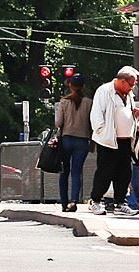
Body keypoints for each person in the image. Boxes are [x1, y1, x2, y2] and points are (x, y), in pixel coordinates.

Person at [89, 65, 139, 216]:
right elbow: (97, 114)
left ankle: (120, 202)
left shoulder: (128, 95)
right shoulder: (104, 91)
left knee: (125, 173)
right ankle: (95, 201)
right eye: (131, 84)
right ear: (122, 81)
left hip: (125, 140)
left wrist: (133, 116)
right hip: (109, 139)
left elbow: (124, 112)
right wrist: (102, 130)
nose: (132, 88)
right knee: (105, 172)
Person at [54, 71, 93, 211]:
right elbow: (92, 123)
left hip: (66, 139)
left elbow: (58, 123)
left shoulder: (64, 102)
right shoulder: (89, 103)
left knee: (64, 171)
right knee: (77, 171)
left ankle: (64, 203)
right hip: (82, 140)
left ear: (70, 85)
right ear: (83, 86)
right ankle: (74, 200)